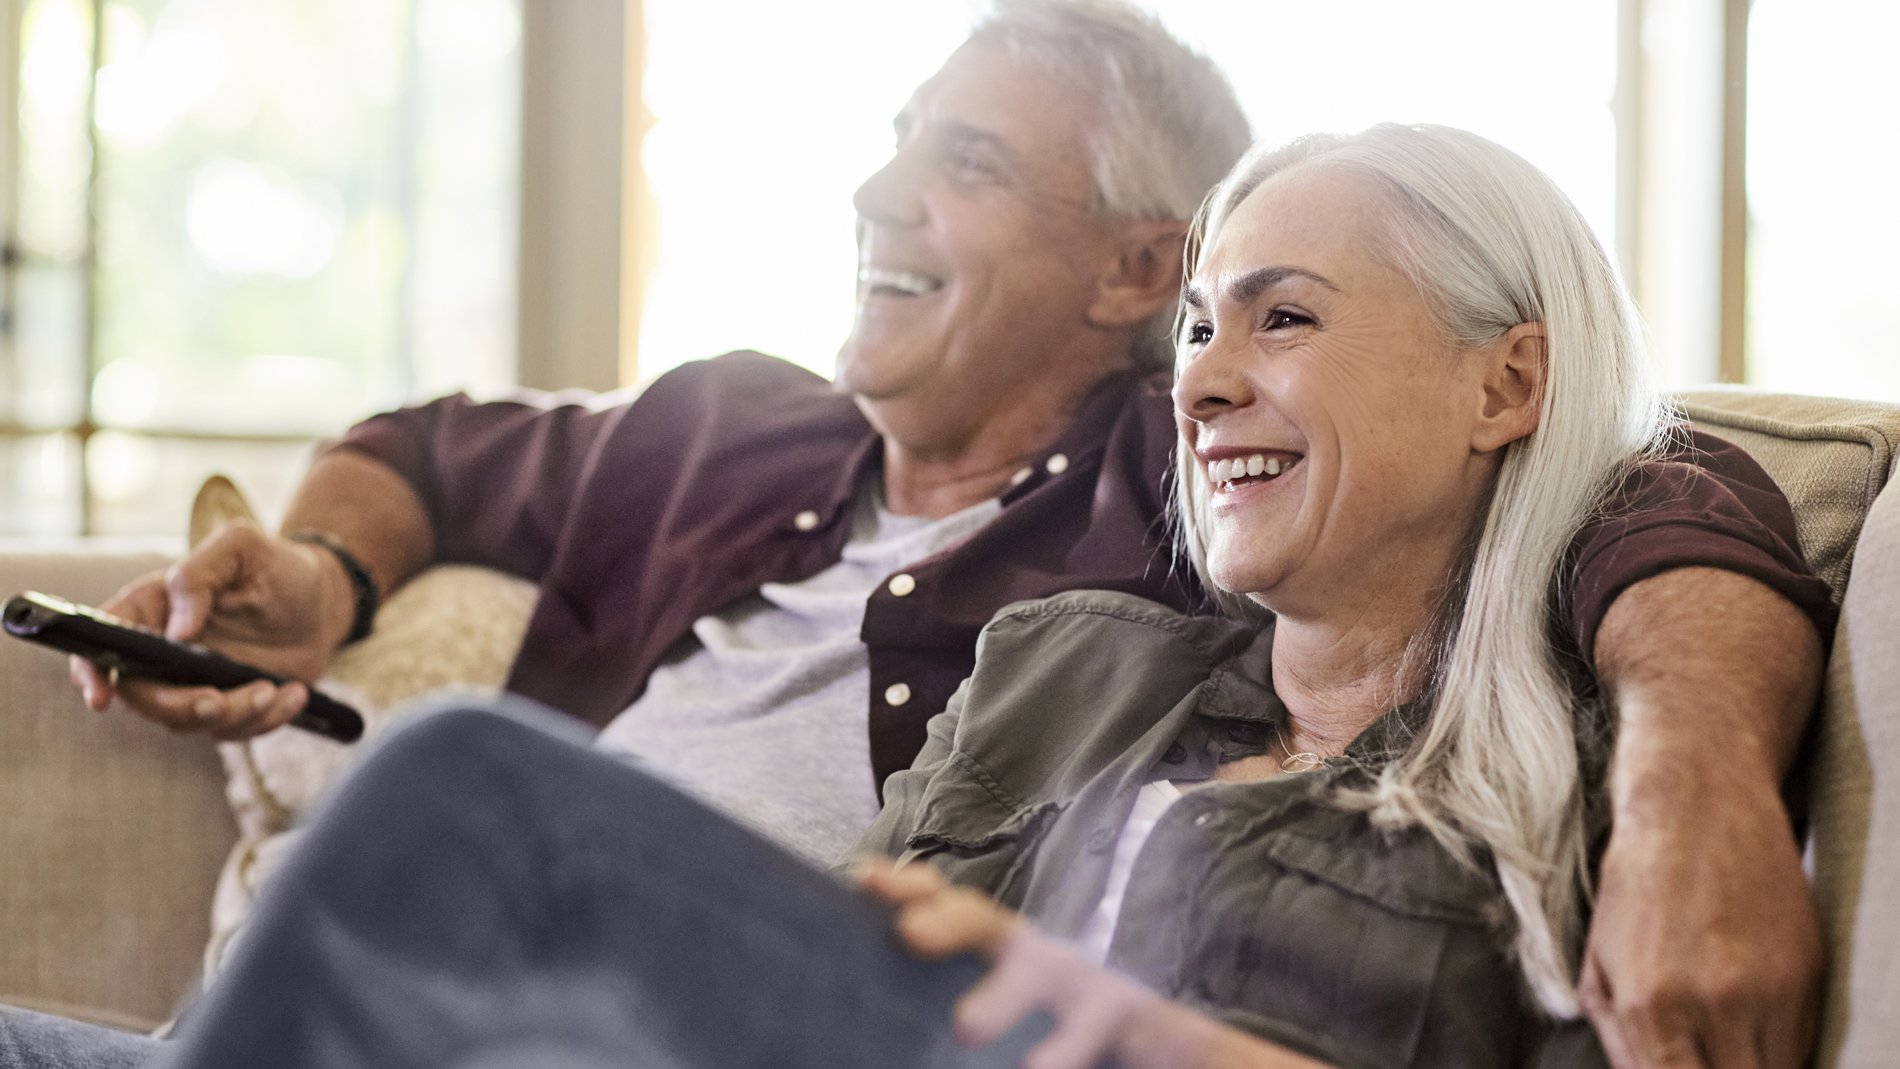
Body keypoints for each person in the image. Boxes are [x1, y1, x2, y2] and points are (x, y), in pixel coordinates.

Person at [57, 3, 1831, 1064]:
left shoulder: (1164, 495)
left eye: (964, 165)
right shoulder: (762, 450)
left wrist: (1697, 775)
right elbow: (430, 448)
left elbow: (1668, 482)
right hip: (597, 1018)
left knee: (466, 781)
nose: (1214, 372)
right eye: (1213, 325)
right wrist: (325, 575)